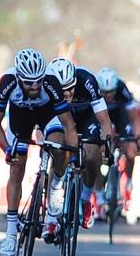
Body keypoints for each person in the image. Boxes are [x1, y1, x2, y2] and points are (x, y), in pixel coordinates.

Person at [0, 49, 78, 256]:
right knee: (16, 167)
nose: (35, 86)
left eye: (38, 81)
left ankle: (56, 185)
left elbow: (69, 125)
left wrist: (72, 156)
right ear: (19, 77)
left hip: (48, 115)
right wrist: (6, 149)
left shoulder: (50, 83)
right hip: (20, 118)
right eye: (29, 83)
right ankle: (11, 234)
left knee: (58, 143)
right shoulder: (8, 82)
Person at [46, 57, 113, 229]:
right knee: (58, 153)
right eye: (63, 90)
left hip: (86, 116)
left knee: (92, 155)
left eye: (71, 88)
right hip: (59, 117)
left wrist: (107, 147)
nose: (67, 93)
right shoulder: (47, 85)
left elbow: (104, 120)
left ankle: (85, 197)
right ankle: (51, 217)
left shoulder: (87, 81)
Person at [94, 67, 140, 219]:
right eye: (105, 92)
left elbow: (133, 117)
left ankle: (128, 180)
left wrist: (137, 137)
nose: (108, 95)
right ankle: (99, 197)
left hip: (120, 115)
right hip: (100, 115)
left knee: (130, 149)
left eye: (111, 92)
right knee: (95, 153)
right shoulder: (94, 89)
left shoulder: (122, 88)